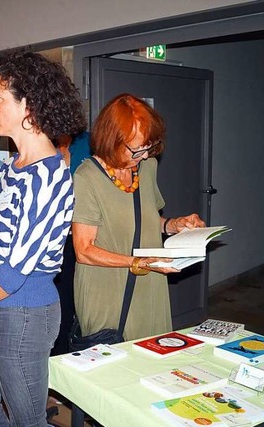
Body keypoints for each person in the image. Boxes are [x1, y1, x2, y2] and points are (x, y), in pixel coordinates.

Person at [0, 50, 86, 426]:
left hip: (23, 314)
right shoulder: (15, 164)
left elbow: (15, 272)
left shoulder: (48, 176)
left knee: (29, 420)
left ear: (29, 108)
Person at [72, 93, 205, 342]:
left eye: (149, 147)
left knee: (154, 355)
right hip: (106, 289)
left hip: (149, 282)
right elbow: (84, 250)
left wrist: (175, 225)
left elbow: (145, 220)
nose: (144, 156)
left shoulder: (147, 167)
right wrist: (138, 262)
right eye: (137, 149)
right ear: (112, 140)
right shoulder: (87, 177)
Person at [50, 131, 91, 356]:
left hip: (84, 237)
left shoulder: (87, 144)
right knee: (60, 306)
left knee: (80, 305)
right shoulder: (39, 147)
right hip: (54, 241)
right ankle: (57, 360)